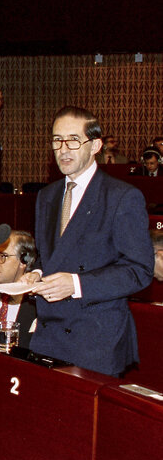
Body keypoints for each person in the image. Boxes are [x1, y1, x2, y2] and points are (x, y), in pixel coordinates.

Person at [25, 106, 153, 376]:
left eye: (73, 139)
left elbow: (139, 271)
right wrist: (35, 272)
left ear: (95, 145)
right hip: (49, 336)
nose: (63, 149)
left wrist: (76, 283)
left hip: (95, 341)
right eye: (57, 140)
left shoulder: (121, 197)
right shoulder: (47, 196)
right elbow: (47, 254)